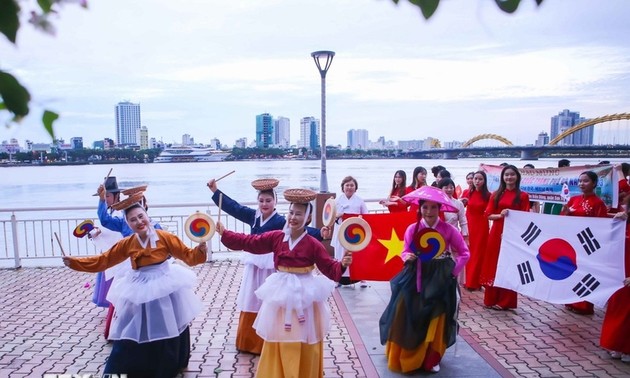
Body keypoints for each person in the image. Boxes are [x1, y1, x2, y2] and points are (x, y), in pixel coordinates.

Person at [62, 199, 208, 377]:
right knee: (130, 328)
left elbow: (190, 257)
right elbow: (103, 261)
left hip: (165, 284)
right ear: (128, 223)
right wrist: (75, 262)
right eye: (133, 220)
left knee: (170, 326)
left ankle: (167, 367)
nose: (139, 222)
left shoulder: (166, 237)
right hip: (139, 287)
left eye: (141, 217)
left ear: (147, 216)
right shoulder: (128, 243)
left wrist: (201, 249)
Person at [216, 189, 352, 378]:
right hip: (281, 294)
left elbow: (331, 269)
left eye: (298, 214)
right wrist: (225, 234)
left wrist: (342, 265)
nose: (293, 217)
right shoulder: (277, 237)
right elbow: (251, 242)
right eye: (291, 212)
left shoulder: (313, 244)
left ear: (308, 217)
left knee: (303, 338)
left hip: (305, 297)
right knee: (278, 337)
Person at [206, 177, 323, 355]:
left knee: (268, 302)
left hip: (270, 268)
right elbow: (234, 207)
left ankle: (269, 341)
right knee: (251, 298)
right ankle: (248, 342)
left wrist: (321, 233)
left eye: (268, 200)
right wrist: (216, 191)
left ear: (275, 202)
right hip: (254, 265)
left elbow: (303, 231)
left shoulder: (280, 221)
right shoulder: (253, 216)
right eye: (261, 200)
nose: (264, 204)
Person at [379, 187, 470, 373]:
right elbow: (405, 250)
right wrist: (407, 257)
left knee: (437, 317)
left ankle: (432, 357)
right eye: (425, 207)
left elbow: (464, 253)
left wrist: (453, 272)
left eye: (433, 207)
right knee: (409, 313)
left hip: (441, 278)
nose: (429, 212)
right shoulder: (413, 229)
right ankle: (409, 355)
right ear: (419, 208)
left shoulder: (449, 230)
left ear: (440, 209)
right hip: (415, 275)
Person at [480, 164, 530, 310]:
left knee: (509, 266)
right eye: (506, 175)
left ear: (517, 177)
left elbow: (525, 217)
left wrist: (515, 233)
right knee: (493, 264)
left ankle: (506, 302)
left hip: (512, 235)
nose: (509, 177)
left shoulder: (523, 196)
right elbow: (487, 214)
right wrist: (500, 215)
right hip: (496, 233)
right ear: (503, 177)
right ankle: (490, 299)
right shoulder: (496, 194)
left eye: (512, 175)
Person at [560, 171, 608, 315]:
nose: (582, 184)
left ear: (594, 183)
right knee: (572, 271)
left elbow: (601, 225)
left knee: (586, 272)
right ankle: (570, 300)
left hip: (587, 243)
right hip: (572, 241)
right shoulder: (573, 200)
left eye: (585, 181)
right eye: (580, 181)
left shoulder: (598, 203)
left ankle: (584, 305)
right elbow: (562, 219)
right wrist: (566, 212)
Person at [600, 196, 630, 362]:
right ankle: (615, 344)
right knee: (617, 309)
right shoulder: (623, 222)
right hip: (619, 272)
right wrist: (615, 222)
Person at [332, 176, 368, 287]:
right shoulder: (337, 201)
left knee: (357, 255)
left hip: (355, 232)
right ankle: (337, 278)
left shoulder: (360, 201)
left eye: (352, 185)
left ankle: (362, 278)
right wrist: (338, 216)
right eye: (347, 185)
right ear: (343, 187)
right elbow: (330, 216)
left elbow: (366, 215)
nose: (349, 187)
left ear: (355, 187)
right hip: (340, 231)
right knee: (339, 255)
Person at [464, 171, 491, 291]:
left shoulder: (488, 195)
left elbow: (490, 212)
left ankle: (475, 282)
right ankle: (468, 280)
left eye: (480, 179)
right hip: (468, 224)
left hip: (481, 226)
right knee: (468, 252)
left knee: (478, 254)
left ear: (484, 181)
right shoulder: (467, 193)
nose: (477, 181)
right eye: (475, 179)